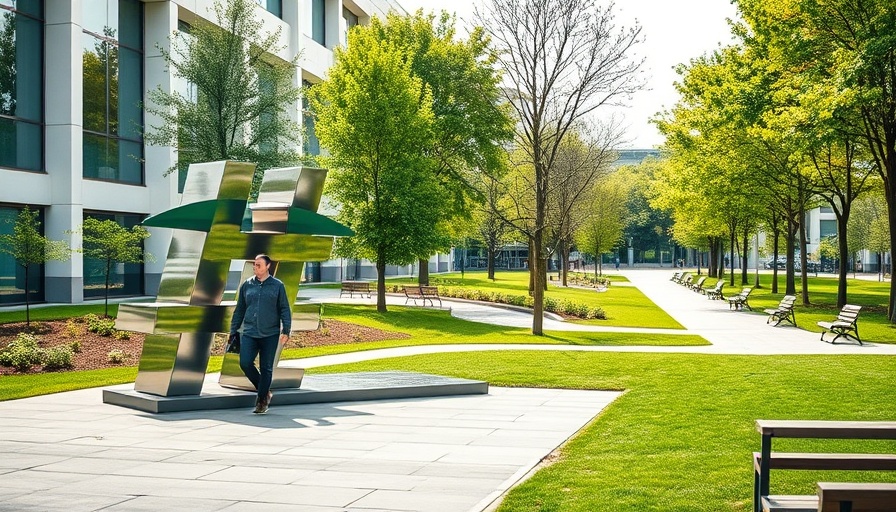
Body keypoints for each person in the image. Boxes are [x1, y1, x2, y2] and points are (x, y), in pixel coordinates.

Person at [229, 254, 291, 414]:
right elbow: (240, 309)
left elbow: (284, 308)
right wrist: (233, 330)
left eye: (258, 265)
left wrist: (286, 330)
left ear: (267, 266)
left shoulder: (278, 286)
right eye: (254, 265)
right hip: (249, 332)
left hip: (269, 333)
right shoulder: (247, 285)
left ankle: (262, 401)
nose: (255, 268)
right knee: (245, 363)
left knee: (266, 368)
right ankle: (264, 391)